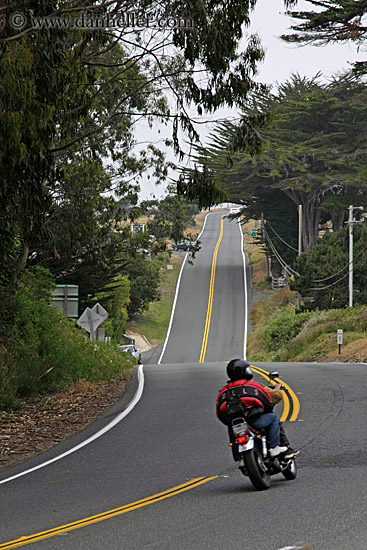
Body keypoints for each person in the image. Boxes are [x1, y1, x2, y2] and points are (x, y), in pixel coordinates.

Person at [216, 358, 299, 467]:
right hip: (254, 421)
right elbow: (268, 401)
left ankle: (239, 458)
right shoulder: (252, 386)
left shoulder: (223, 391)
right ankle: (274, 447)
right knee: (273, 418)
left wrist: (229, 422)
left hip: (236, 424)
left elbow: (219, 413)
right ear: (245, 371)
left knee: (233, 430)